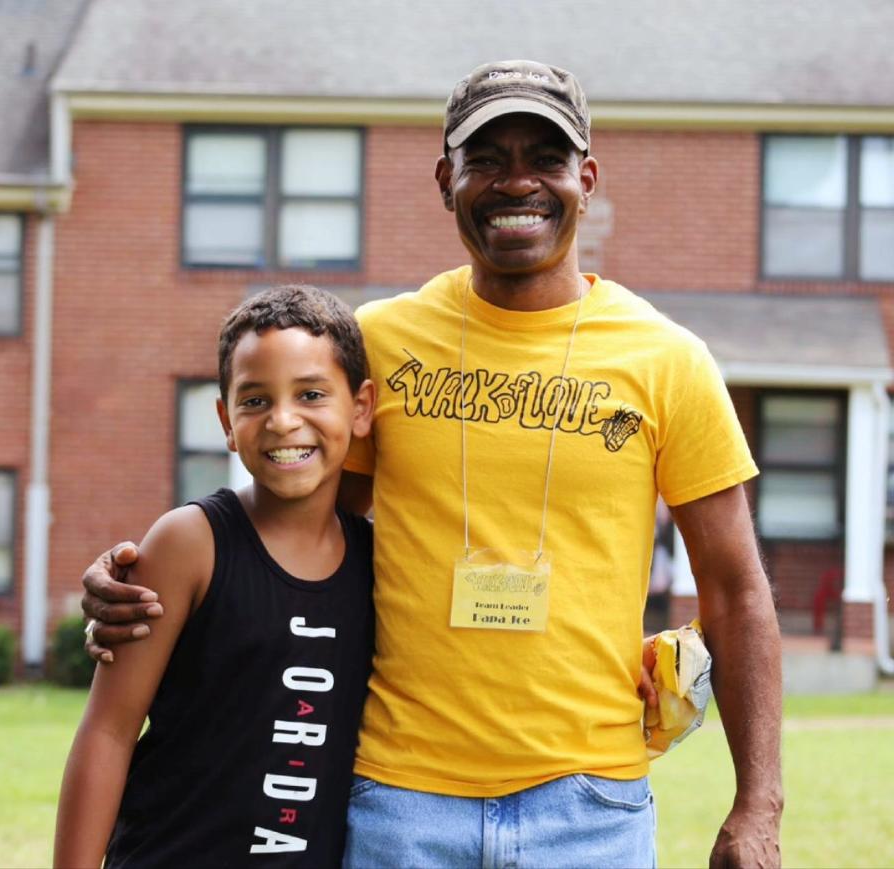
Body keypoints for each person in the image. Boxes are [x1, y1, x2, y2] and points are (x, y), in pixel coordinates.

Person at [81, 60, 783, 868]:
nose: (516, 182)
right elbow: (293, 526)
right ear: (446, 179)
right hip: (398, 803)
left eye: (545, 158)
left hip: (591, 807)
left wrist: (758, 804)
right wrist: (153, 573)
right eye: (486, 159)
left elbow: (736, 588)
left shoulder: (669, 361)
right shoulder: (378, 342)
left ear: (585, 179)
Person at [55, 285, 376, 867]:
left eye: (310, 394)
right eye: (255, 401)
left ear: (360, 409)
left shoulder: (377, 562)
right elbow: (108, 732)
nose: (282, 421)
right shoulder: (191, 542)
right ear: (227, 421)